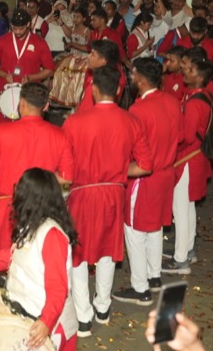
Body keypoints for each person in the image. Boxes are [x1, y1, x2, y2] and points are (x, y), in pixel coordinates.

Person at [64, 65, 153, 333]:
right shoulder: (131, 121)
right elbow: (146, 165)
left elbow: (66, 169)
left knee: (78, 253)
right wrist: (116, 171)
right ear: (118, 90)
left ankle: (83, 316)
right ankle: (102, 306)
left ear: (92, 89)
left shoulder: (74, 122)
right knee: (107, 250)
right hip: (114, 192)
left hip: (82, 193)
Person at [6, 168, 79, 351]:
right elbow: (18, 257)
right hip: (29, 315)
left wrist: (46, 323)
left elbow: (59, 289)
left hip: (48, 321)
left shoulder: (52, 235)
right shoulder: (32, 227)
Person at [0, 82, 74, 273]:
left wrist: (3, 182)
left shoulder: (2, 132)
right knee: (37, 267)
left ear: (21, 103)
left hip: (7, 206)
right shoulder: (59, 134)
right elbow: (66, 177)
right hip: (43, 209)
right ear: (46, 106)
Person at [114, 58, 181, 306]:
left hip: (145, 178)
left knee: (134, 230)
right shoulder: (173, 102)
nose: (130, 78)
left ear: (141, 79)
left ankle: (140, 288)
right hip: (166, 175)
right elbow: (180, 135)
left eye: (132, 75)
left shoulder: (139, 110)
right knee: (155, 228)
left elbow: (130, 148)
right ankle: (154, 276)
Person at [169, 58, 213, 273]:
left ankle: (180, 259)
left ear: (199, 77)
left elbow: (186, 137)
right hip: (197, 158)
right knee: (188, 207)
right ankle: (188, 249)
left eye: (189, 69)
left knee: (180, 209)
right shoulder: (205, 95)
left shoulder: (194, 103)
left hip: (187, 159)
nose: (184, 71)